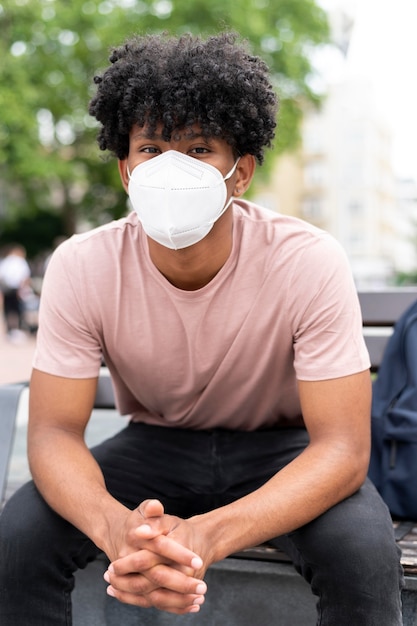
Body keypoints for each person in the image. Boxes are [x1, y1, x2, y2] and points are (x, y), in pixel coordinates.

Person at [0, 32, 403, 625]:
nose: (169, 168)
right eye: (151, 148)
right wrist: (116, 528)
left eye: (197, 149)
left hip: (282, 450)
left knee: (364, 558)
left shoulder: (308, 259)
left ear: (240, 173)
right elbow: (55, 433)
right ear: (124, 169)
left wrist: (206, 537)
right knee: (18, 543)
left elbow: (342, 450)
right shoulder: (82, 264)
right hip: (156, 444)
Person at [0, 243, 31, 341]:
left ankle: (10, 330)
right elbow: (25, 276)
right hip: (16, 289)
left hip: (7, 289)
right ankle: (17, 330)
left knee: (8, 310)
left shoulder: (6, 261)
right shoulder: (20, 261)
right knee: (18, 310)